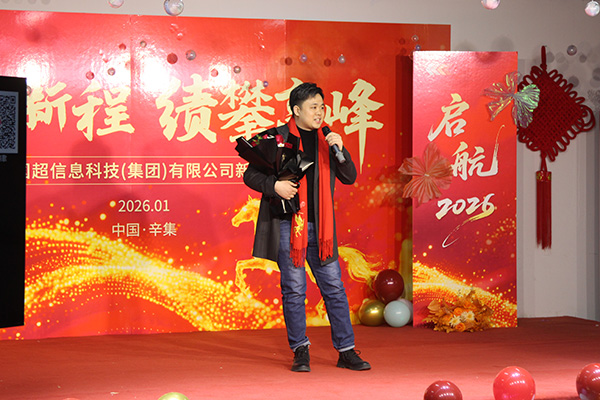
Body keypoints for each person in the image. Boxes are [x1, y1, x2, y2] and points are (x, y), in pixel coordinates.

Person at [243, 82, 370, 372]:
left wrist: (341, 149)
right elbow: (249, 174)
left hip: (323, 229)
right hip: (289, 225)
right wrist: (274, 186)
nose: (320, 112)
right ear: (296, 110)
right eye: (313, 107)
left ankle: (346, 351)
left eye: (322, 107)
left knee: (334, 288)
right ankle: (300, 350)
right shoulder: (275, 137)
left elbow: (349, 177)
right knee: (294, 289)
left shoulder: (328, 139)